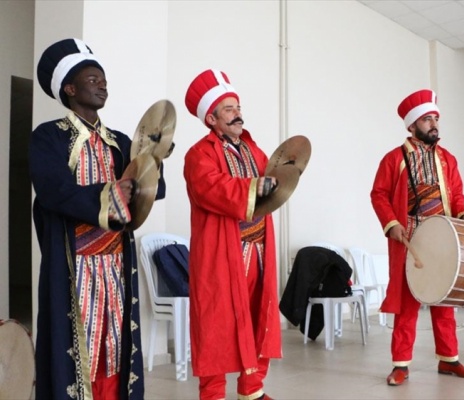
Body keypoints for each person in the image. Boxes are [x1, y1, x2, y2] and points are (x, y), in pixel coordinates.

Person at [29, 38, 166, 399]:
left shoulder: (120, 141)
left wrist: (154, 160)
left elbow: (153, 190)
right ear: (70, 89)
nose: (102, 85)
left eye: (104, 80)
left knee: (116, 346)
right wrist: (110, 195)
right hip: (75, 264)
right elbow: (52, 191)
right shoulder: (49, 137)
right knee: (79, 348)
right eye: (93, 80)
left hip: (117, 263)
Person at [370, 89, 464, 386]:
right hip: (409, 236)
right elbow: (378, 194)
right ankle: (400, 364)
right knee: (407, 303)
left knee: (444, 300)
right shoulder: (394, 159)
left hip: (443, 236)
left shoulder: (448, 159)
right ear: (411, 125)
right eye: (427, 119)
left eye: (435, 118)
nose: (434, 124)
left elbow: (456, 195)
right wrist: (391, 222)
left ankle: (449, 359)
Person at [183, 69, 281, 400]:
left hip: (259, 251)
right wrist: (254, 187)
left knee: (258, 316)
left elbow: (274, 185)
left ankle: (252, 389)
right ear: (211, 118)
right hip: (220, 254)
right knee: (215, 325)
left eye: (237, 106)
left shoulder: (254, 150)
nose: (237, 113)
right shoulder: (200, 154)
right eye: (228, 108)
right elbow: (210, 188)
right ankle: (212, 394)